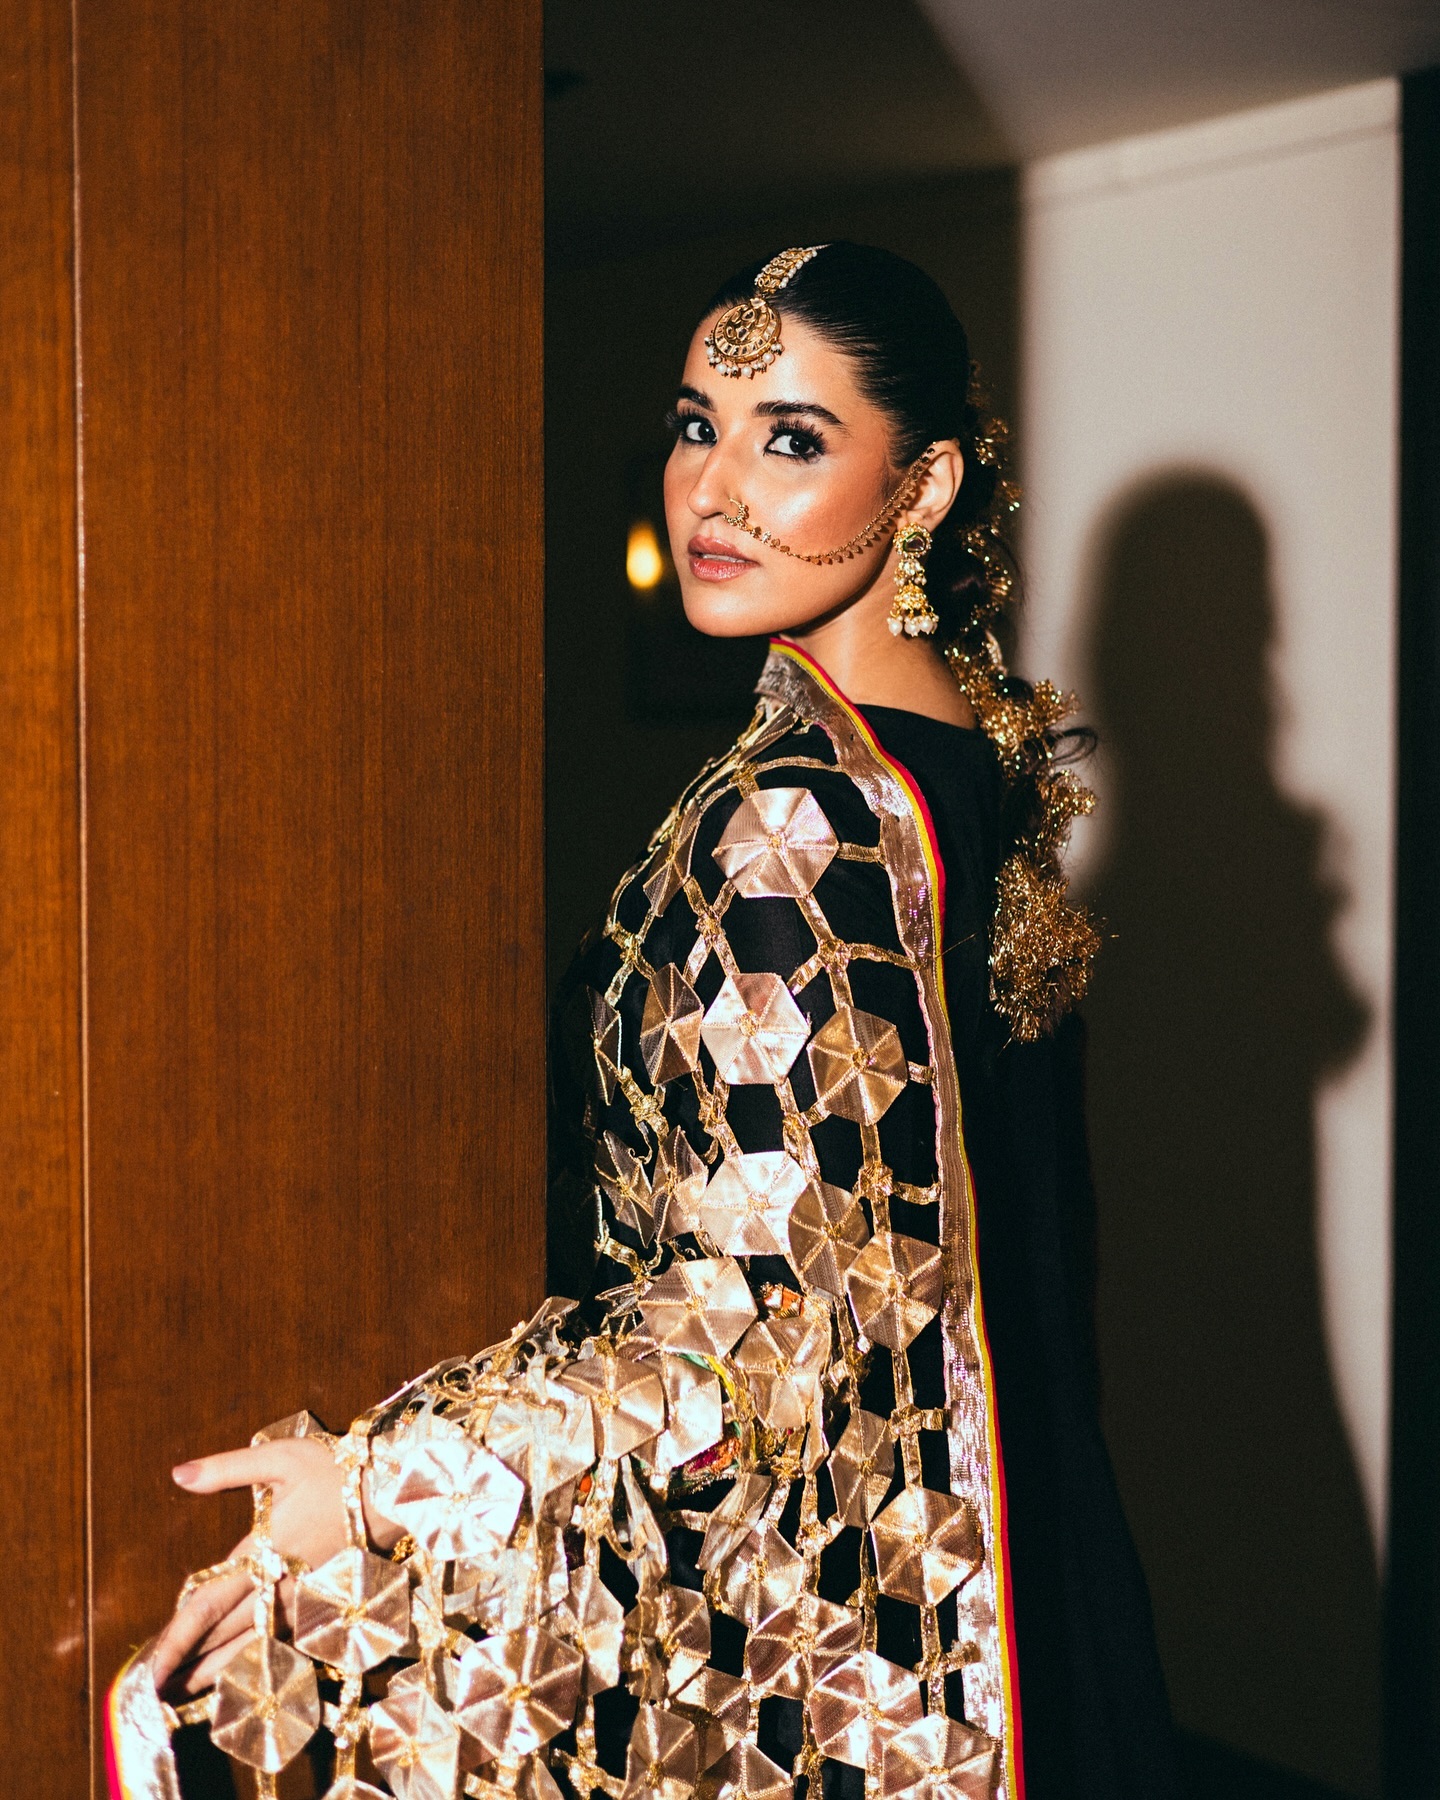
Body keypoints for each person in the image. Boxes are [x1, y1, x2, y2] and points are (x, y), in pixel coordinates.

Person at [110, 243, 1179, 1800]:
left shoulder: (800, 820)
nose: (713, 490)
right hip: (1030, 1584)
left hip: (863, 1644)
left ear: (926, 486)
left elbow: (762, 1324)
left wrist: (396, 1482)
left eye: (791, 439)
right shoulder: (956, 763)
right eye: (696, 426)